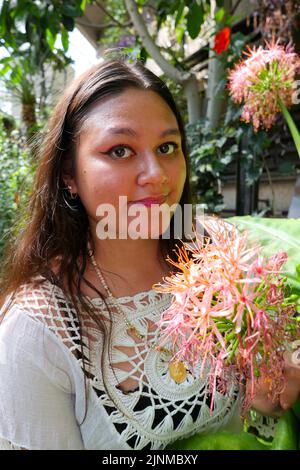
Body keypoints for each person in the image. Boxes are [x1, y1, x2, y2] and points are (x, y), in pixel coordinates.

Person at [0, 57, 298, 451]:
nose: (156, 173)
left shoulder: (220, 251)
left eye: (167, 146)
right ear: (68, 175)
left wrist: (270, 391)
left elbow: (261, 398)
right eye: (120, 149)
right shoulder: (36, 333)